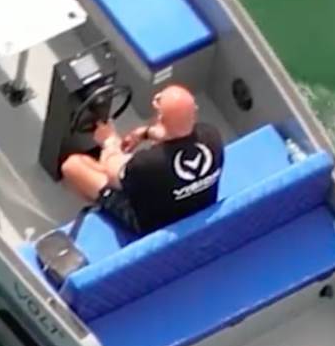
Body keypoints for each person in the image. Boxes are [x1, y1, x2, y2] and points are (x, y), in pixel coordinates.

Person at [59, 84, 226, 237]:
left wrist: (109, 140)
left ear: (160, 116)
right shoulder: (212, 137)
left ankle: (101, 209)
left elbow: (111, 169)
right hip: (196, 208)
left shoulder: (147, 164)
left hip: (150, 224)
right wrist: (145, 133)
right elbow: (176, 133)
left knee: (73, 166)